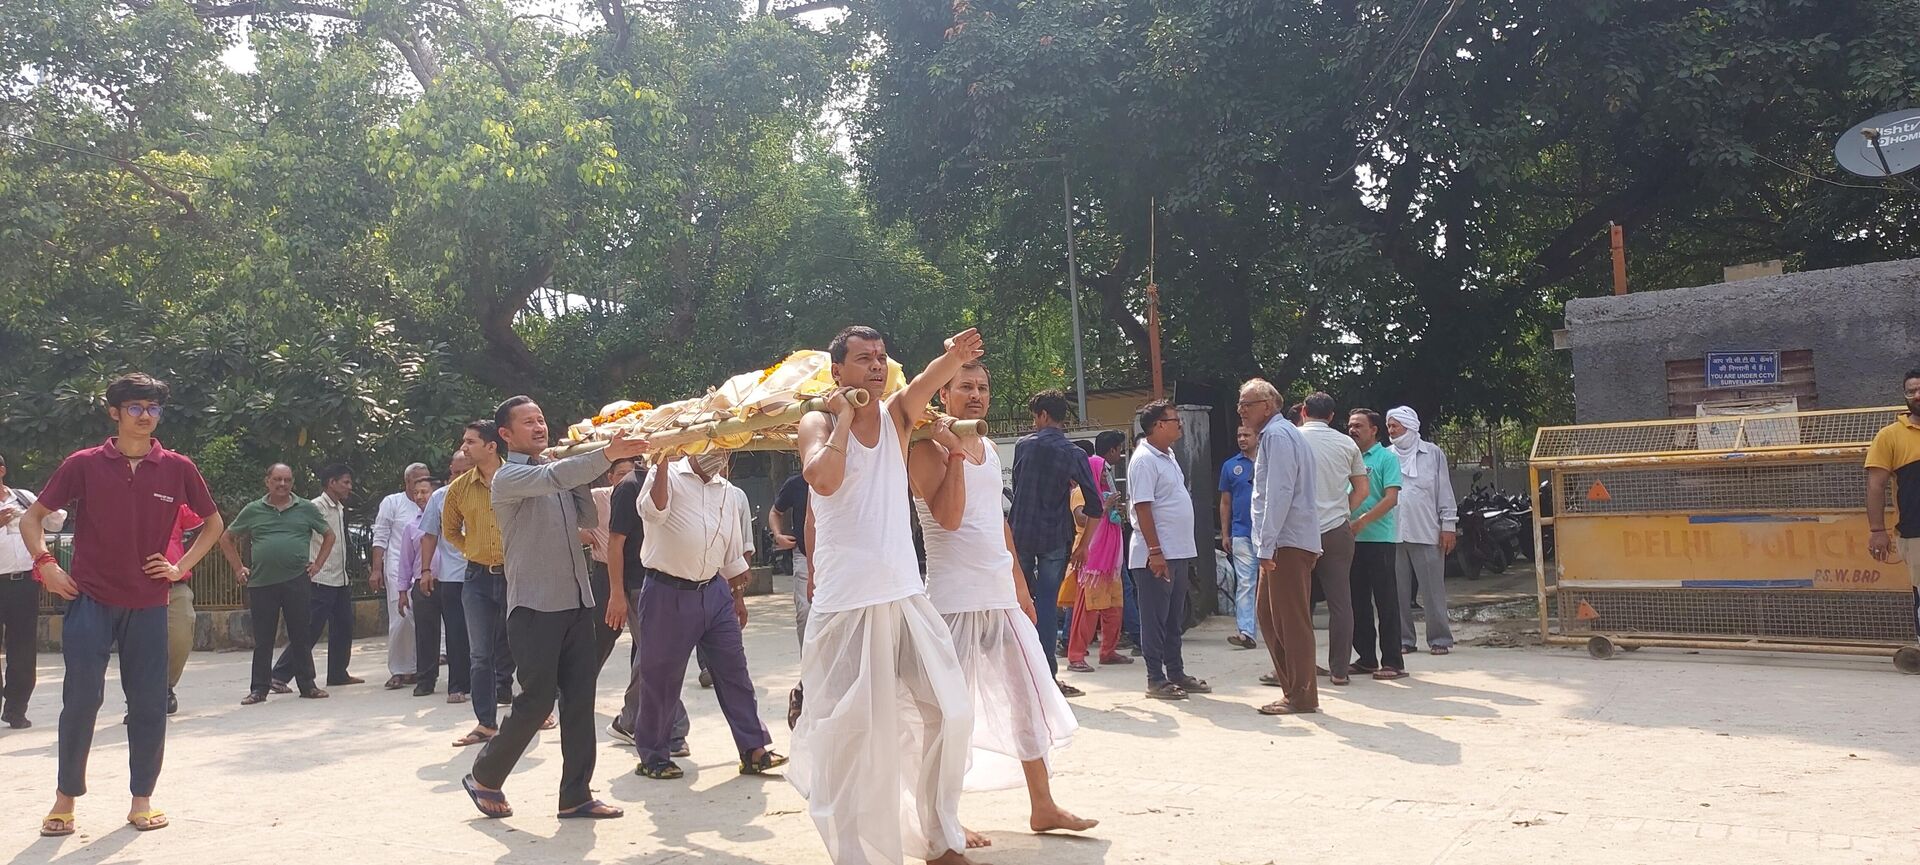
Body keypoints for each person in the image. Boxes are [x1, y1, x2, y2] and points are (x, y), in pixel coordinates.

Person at [789, 325, 984, 865]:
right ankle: (859, 854)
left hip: (904, 595)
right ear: (838, 372)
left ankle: (941, 837)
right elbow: (822, 480)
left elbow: (924, 382)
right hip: (845, 604)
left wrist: (953, 357)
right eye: (862, 359)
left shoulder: (900, 414)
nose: (875, 367)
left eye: (881, 358)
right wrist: (845, 420)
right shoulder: (818, 422)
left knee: (949, 710)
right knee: (852, 736)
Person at [24, 372, 223, 836]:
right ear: (114, 412)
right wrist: (46, 565)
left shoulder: (177, 467)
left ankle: (142, 800)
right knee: (81, 700)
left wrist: (179, 568)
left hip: (150, 602)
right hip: (90, 598)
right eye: (134, 407)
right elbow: (33, 518)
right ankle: (65, 799)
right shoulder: (84, 463)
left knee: (149, 703)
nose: (145, 416)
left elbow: (213, 523)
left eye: (153, 408)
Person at [908, 360, 1095, 844]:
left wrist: (1020, 585)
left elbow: (998, 523)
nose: (976, 395)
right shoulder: (923, 450)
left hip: (1000, 597)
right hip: (952, 602)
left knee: (1027, 701)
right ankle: (942, 818)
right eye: (965, 387)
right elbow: (948, 519)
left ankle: (1043, 806)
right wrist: (954, 452)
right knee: (947, 715)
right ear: (943, 395)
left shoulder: (990, 448)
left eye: (983, 387)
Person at [460, 396, 651, 821]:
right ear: (504, 436)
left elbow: (585, 517)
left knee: (580, 700)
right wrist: (602, 454)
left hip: (578, 602)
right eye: (528, 423)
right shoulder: (508, 478)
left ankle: (576, 794)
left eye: (542, 419)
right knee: (536, 701)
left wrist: (582, 468)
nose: (539, 427)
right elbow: (552, 477)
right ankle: (485, 775)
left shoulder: (556, 473)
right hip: (534, 608)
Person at [620, 450, 784, 781]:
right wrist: (662, 464)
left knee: (734, 670)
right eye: (710, 448)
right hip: (668, 592)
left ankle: (754, 749)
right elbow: (652, 512)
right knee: (661, 677)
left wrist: (737, 598)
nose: (718, 457)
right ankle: (653, 755)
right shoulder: (665, 474)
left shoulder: (728, 491)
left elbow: (731, 551)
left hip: (715, 592)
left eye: (724, 450)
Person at [1009, 389, 1102, 697]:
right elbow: (1095, 506)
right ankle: (1048, 677)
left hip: (1021, 533)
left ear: (1043, 416)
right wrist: (1084, 545)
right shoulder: (1075, 454)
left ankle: (1020, 675)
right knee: (1047, 606)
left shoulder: (1024, 446)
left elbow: (1019, 488)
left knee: (1019, 604)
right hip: (1054, 537)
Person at [1238, 379, 1323, 716]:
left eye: (1248, 403)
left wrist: (1266, 546)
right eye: (1241, 403)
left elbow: (1279, 493)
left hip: (1285, 542)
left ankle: (1301, 695)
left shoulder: (1278, 435)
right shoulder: (1278, 435)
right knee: (1269, 617)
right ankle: (1293, 689)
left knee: (1290, 621)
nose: (1242, 410)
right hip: (1279, 541)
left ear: (1268, 405)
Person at [219, 464, 336, 705]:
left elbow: (329, 535)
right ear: (268, 482)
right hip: (262, 583)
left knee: (300, 634)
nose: (282, 484)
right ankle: (259, 689)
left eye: (287, 480)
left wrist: (317, 565)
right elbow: (226, 538)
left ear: (292, 482)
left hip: (297, 581)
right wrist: (239, 568)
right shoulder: (253, 510)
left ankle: (308, 685)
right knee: (263, 639)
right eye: (277, 479)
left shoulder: (305, 508)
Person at [1126, 400, 1212, 701]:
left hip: (1177, 551)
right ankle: (1155, 678)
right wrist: (1155, 552)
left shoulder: (1168, 455)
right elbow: (1143, 507)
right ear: (1158, 425)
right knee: (1155, 619)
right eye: (1175, 420)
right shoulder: (1144, 460)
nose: (1180, 425)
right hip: (1156, 554)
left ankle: (1175, 671)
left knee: (1175, 618)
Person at [444, 422, 515, 747]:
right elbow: (450, 531)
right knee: (480, 655)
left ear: (491, 446)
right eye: (464, 441)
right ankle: (486, 723)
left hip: (517, 574)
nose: (464, 446)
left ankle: (536, 711)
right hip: (476, 578)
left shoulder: (516, 478)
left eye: (471, 441)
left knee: (527, 648)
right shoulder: (459, 488)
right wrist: (473, 550)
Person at [271, 463, 361, 692]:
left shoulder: (339, 508)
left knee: (344, 626)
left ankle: (338, 673)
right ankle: (278, 675)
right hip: (320, 578)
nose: (349, 487)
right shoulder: (315, 507)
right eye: (345, 482)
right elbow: (301, 535)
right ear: (332, 483)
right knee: (309, 630)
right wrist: (310, 564)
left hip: (339, 578)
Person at [1298, 393, 1366, 686]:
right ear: (1330, 416)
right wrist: (1342, 511)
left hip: (1299, 531)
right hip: (1337, 530)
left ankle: (1300, 666)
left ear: (1303, 411)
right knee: (1341, 603)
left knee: (1297, 603)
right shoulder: (1346, 443)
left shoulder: (1292, 439)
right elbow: (1362, 490)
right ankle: (1339, 670)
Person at [0, 451, 67, 729]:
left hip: (23, 582)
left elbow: (55, 521)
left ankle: (16, 708)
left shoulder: (23, 497)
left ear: (2, 470)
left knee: (23, 648)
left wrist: (48, 508)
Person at [1386, 407, 1458, 655]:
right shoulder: (1386, 456)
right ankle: (1404, 639)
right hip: (1392, 533)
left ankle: (1439, 639)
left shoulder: (1433, 454)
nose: (1391, 430)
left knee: (1433, 590)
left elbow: (1444, 490)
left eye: (1395, 425)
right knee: (1397, 591)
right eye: (1389, 426)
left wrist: (1448, 525)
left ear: (1410, 426)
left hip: (1426, 530)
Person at [1346, 409, 1408, 679]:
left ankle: (1393, 661)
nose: (1353, 429)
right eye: (1350, 425)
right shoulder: (1348, 457)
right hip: (1351, 540)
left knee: (1386, 601)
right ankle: (1367, 658)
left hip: (1379, 538)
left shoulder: (1386, 458)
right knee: (1357, 601)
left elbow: (1391, 498)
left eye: (1359, 425)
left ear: (1374, 430)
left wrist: (1363, 520)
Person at [1065, 431, 1131, 672]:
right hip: (1090, 559)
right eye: (1103, 470)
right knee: (1087, 611)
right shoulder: (1083, 491)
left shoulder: (1103, 490)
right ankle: (1076, 656)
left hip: (1109, 560)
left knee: (1114, 607)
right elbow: (1082, 520)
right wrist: (1104, 507)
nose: (1106, 473)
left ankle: (1108, 651)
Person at [415, 450, 475, 703]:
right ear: (450, 471)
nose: (460, 477)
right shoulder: (439, 497)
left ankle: (498, 683)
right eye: (456, 472)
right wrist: (426, 570)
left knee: (493, 632)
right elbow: (429, 535)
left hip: (486, 571)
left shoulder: (491, 490)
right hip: (452, 577)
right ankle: (458, 685)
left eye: (466, 471)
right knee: (456, 632)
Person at [1864, 368, 1920, 638]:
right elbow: (1876, 486)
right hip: (1916, 532)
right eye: (1912, 390)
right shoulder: (1889, 436)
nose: (1917, 395)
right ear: (1905, 396)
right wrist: (1877, 531)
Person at [394, 475, 458, 697]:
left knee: (457, 633)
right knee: (425, 634)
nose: (420, 496)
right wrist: (402, 591)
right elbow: (405, 561)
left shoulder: (455, 521)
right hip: (423, 585)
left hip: (452, 582)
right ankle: (425, 680)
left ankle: (459, 682)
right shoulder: (412, 527)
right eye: (416, 492)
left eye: (425, 492)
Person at [371, 462, 430, 689]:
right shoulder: (392, 502)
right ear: (407, 482)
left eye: (425, 479)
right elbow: (381, 536)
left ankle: (417, 668)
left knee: (423, 619)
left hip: (424, 568)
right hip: (397, 567)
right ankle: (398, 669)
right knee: (401, 618)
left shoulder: (431, 501)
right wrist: (377, 569)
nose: (421, 485)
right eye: (416, 481)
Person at [583, 459, 637, 669]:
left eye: (630, 474)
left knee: (643, 637)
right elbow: (567, 518)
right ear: (611, 477)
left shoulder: (643, 496)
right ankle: (578, 686)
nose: (626, 479)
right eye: (621, 473)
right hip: (606, 572)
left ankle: (640, 696)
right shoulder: (598, 497)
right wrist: (582, 534)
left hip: (636, 572)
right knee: (602, 634)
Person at [1217, 426, 1260, 650]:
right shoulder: (1230, 466)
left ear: (1257, 437)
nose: (1242, 439)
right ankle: (1246, 632)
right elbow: (1225, 502)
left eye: (1247, 435)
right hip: (1241, 532)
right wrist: (1226, 533)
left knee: (1273, 584)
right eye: (1239, 435)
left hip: (1268, 533)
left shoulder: (1268, 461)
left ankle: (1279, 631)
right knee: (1245, 583)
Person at [159, 505, 201, 716]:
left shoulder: (175, 503)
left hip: (175, 585)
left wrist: (184, 560)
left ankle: (166, 686)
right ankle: (139, 698)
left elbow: (205, 528)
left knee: (180, 637)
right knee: (138, 644)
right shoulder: (122, 498)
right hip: (135, 586)